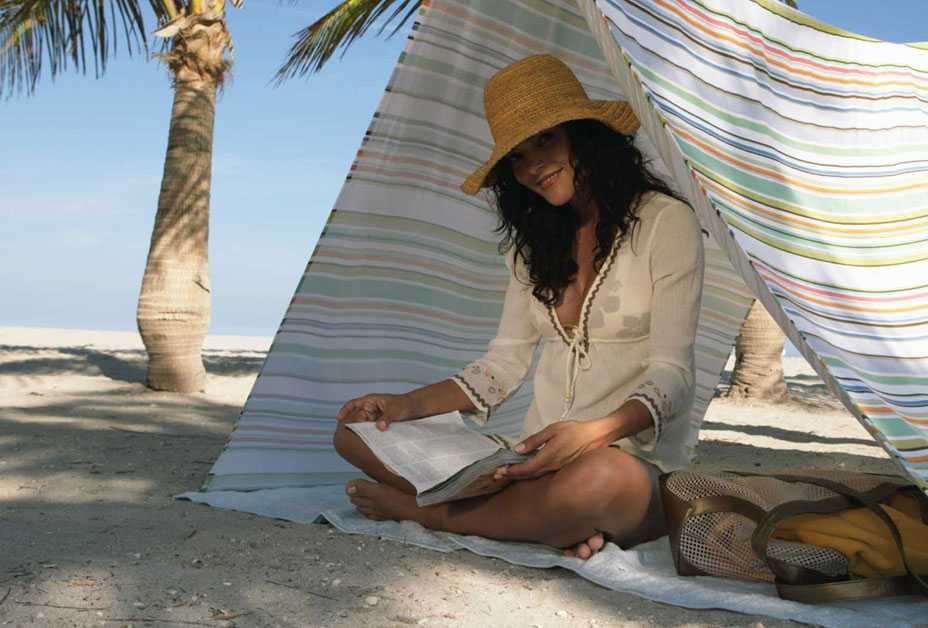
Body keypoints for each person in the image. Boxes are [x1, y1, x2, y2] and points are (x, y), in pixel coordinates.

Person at [332, 54, 704, 559]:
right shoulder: (531, 249)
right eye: (518, 157)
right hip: (529, 459)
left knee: (598, 479)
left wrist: (591, 436)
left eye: (546, 140)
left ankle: (426, 512)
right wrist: (403, 405)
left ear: (583, 134)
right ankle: (542, 521)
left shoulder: (666, 222)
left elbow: (673, 376)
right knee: (354, 435)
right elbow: (501, 367)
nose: (533, 167)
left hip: (627, 466)